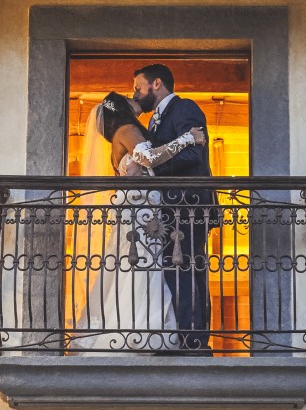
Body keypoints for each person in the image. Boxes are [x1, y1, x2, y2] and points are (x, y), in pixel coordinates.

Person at [70, 91, 206, 352]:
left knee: (136, 266)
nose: (135, 98)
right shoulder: (127, 128)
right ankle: (141, 330)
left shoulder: (118, 136)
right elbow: (148, 159)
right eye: (129, 97)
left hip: (139, 208)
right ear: (121, 107)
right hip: (142, 209)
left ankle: (136, 328)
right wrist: (188, 138)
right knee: (143, 265)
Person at [133, 64, 216, 354]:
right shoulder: (155, 121)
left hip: (189, 205)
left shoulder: (184, 108)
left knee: (186, 267)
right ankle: (189, 336)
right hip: (173, 208)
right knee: (178, 267)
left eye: (138, 87)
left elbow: (195, 152)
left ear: (156, 84)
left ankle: (194, 341)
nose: (136, 93)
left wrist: (155, 168)